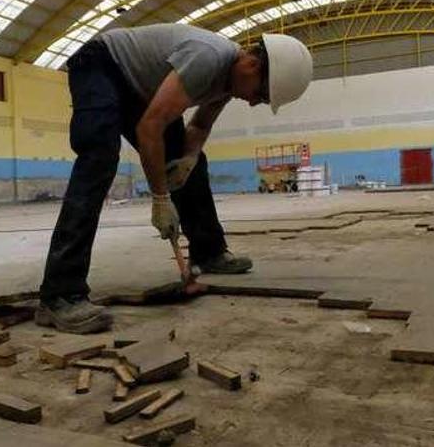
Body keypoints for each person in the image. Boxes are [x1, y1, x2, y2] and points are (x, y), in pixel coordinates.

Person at [35, 24, 314, 333]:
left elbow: (199, 128)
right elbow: (149, 129)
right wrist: (161, 199)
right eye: (260, 95)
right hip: (101, 65)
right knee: (98, 157)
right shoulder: (207, 59)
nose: (252, 102)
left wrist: (187, 160)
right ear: (252, 65)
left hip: (137, 87)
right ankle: (60, 294)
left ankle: (208, 252)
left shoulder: (230, 79)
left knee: (188, 157)